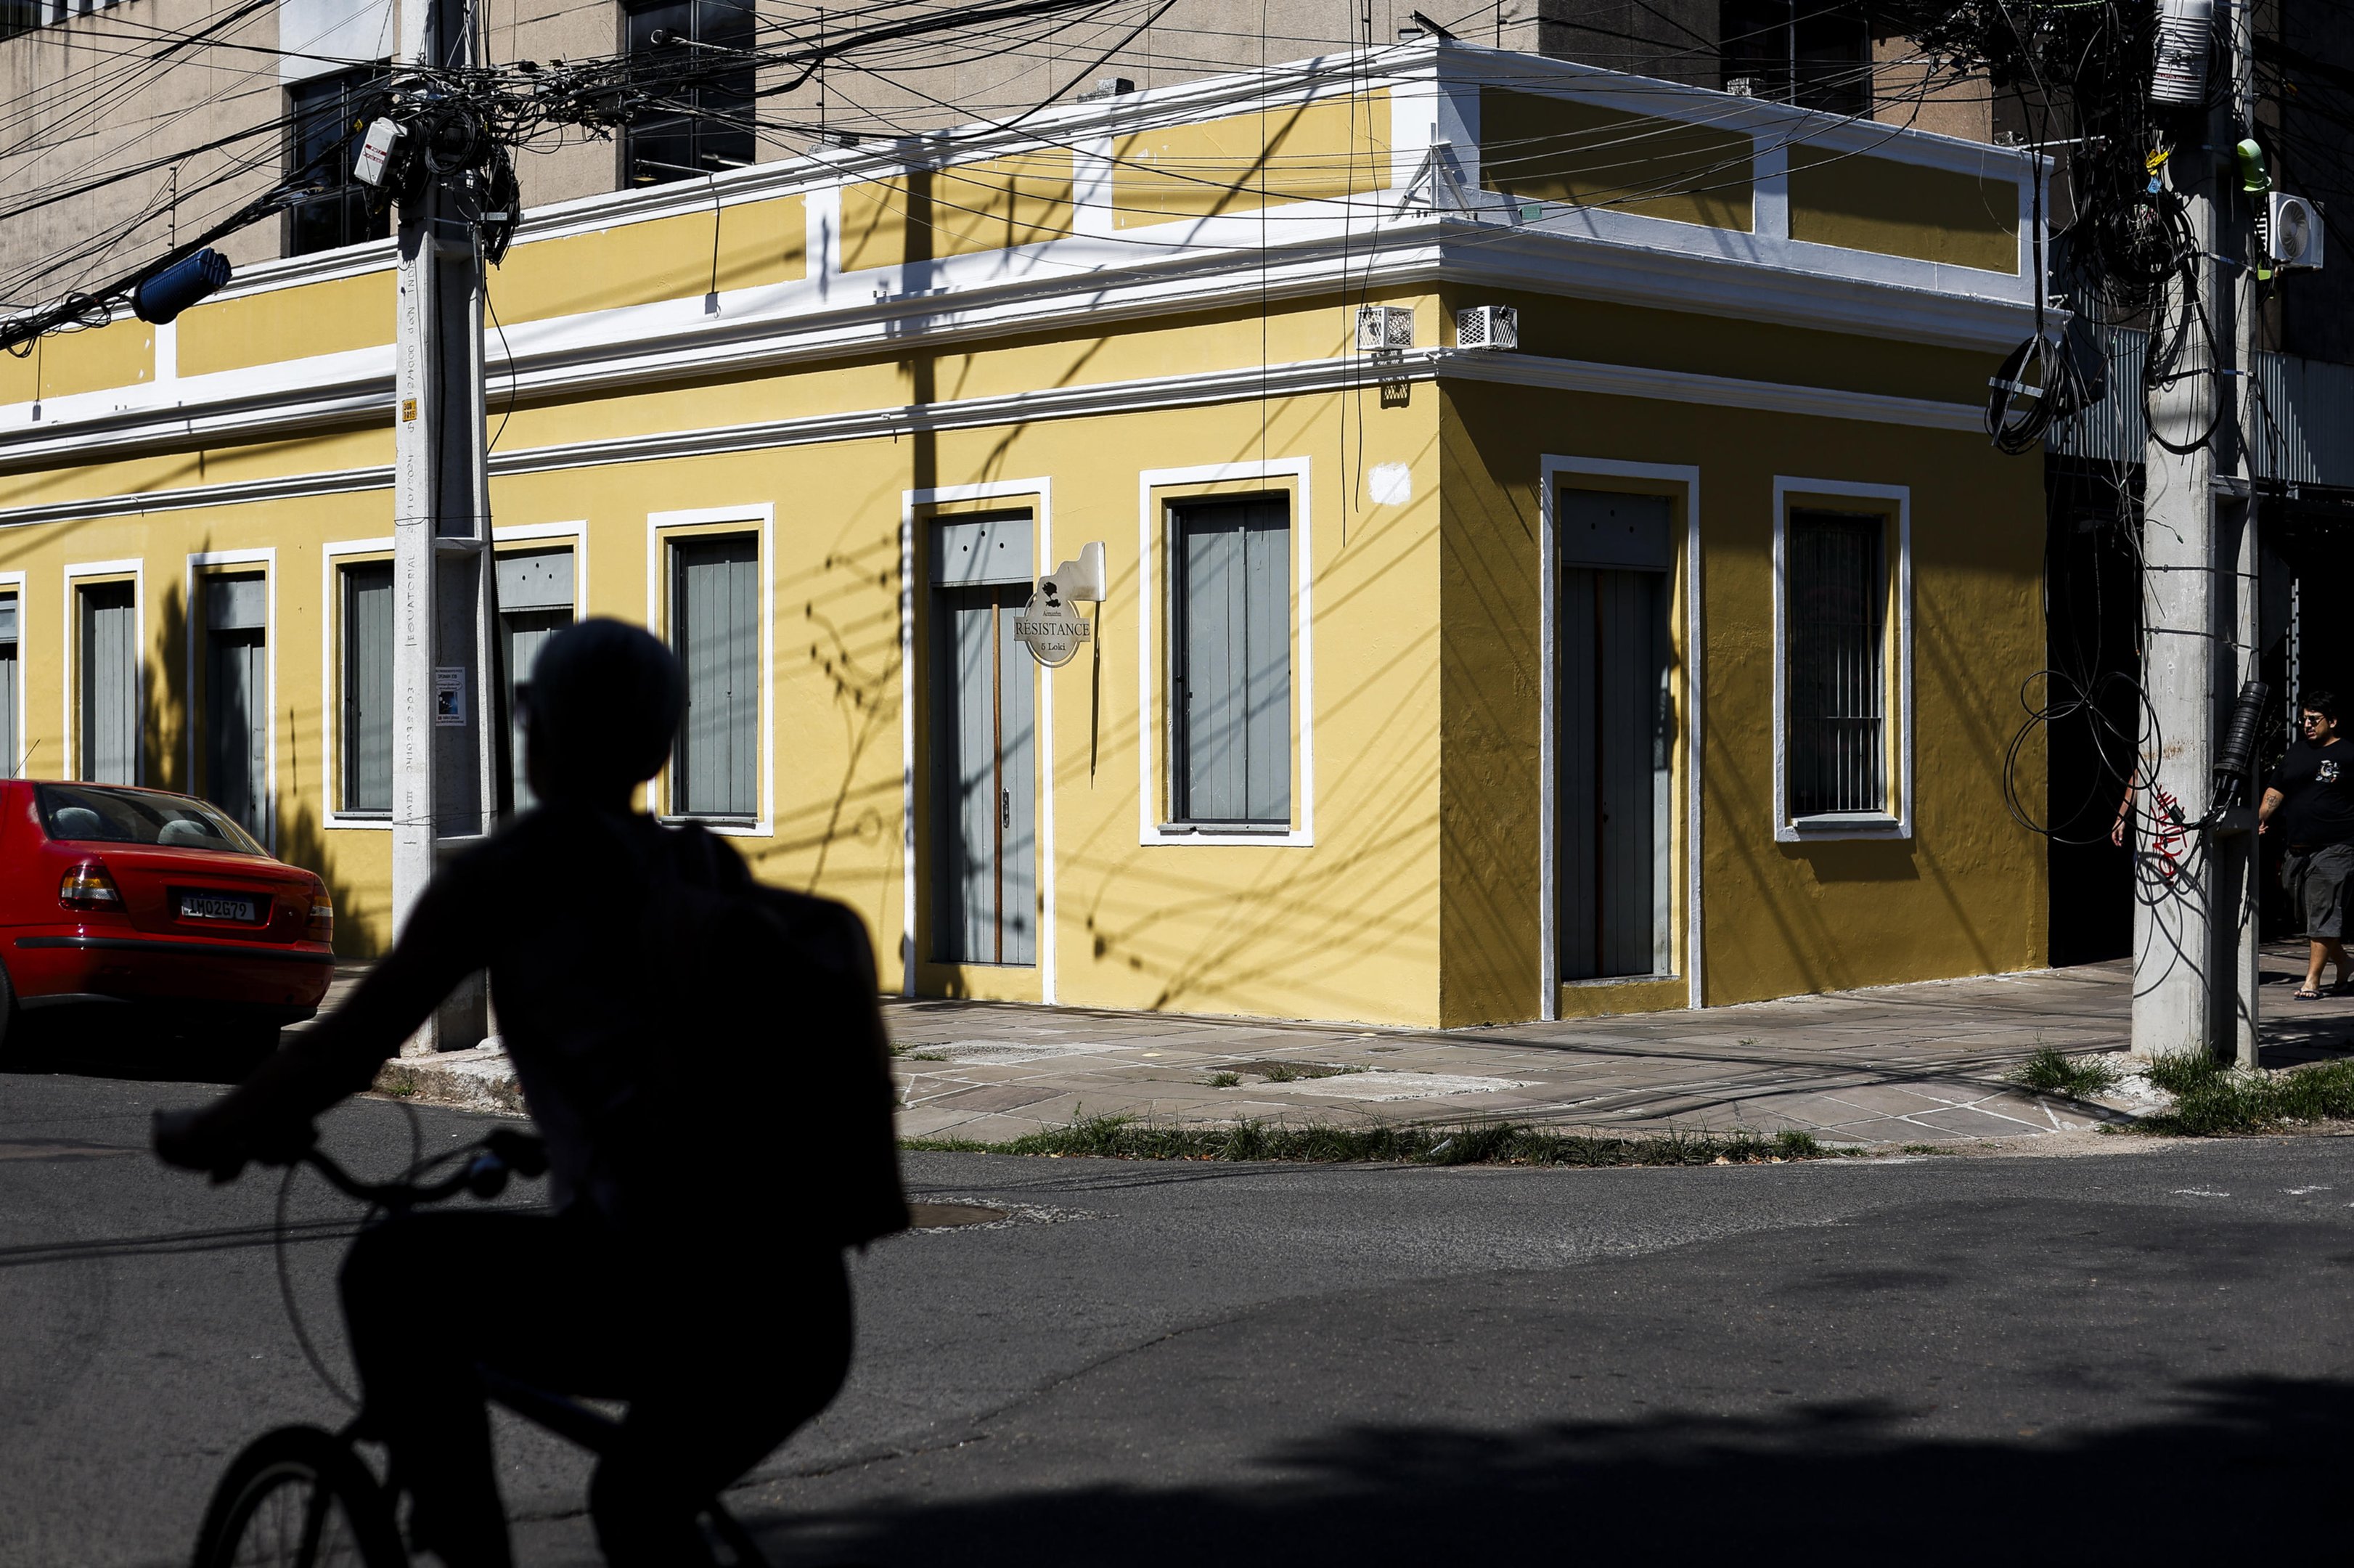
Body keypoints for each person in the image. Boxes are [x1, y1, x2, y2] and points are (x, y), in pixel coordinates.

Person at [154, 619, 859, 1568]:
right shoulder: (701, 868)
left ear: (542, 732)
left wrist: (218, 1128)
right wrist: (567, 1142)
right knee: (639, 1504)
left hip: (663, 1285)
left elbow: (347, 1046)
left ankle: (462, 1538)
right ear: (658, 746)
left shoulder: (510, 875)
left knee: (394, 1272)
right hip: (798, 1309)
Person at [2260, 690, 2354, 1000]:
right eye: (2304, 720)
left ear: (2333, 721)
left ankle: (2312, 981)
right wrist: (2261, 817)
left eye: (2314, 720)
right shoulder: (2296, 753)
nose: (2308, 725)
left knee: (2322, 911)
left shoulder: (2348, 754)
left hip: (2336, 846)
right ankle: (2345, 963)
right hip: (2296, 849)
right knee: (2307, 915)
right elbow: (2276, 789)